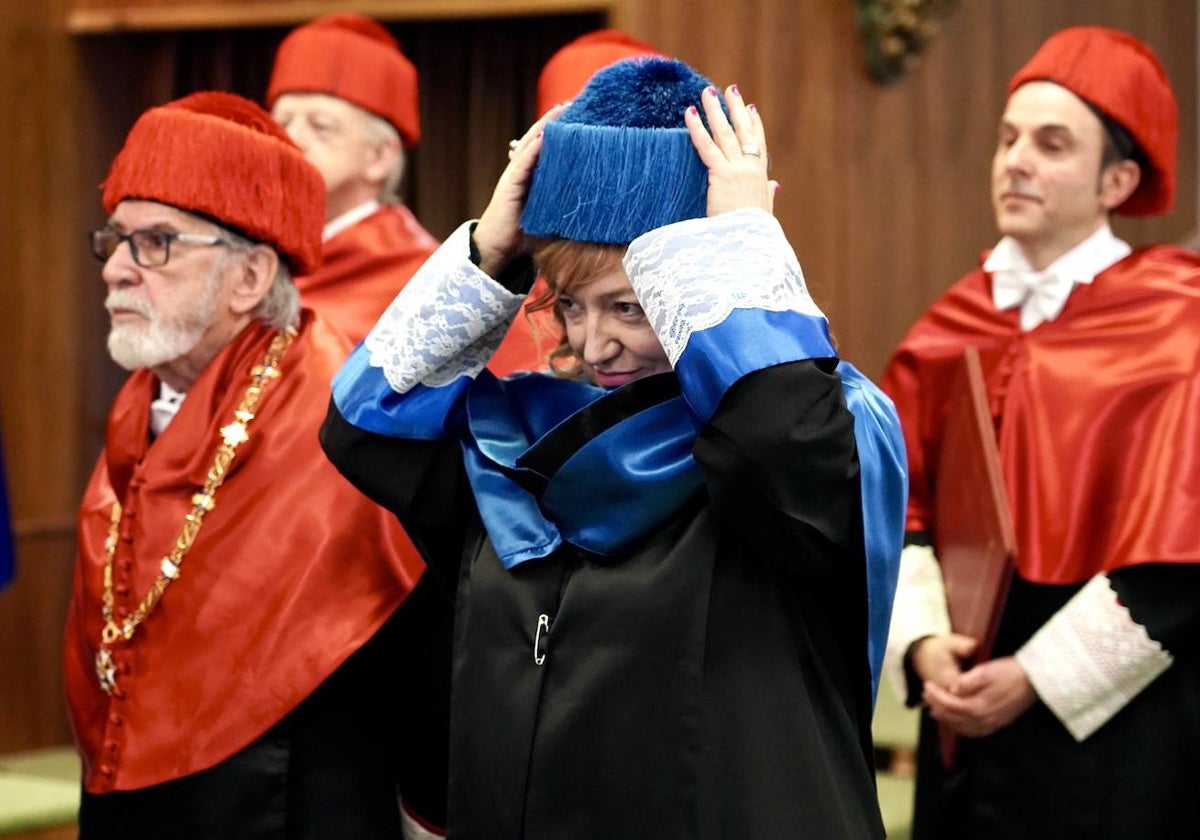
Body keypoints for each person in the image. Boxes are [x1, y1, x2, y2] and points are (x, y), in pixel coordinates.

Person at [321, 56, 907, 839]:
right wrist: (493, 246)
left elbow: (784, 454)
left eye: (628, 306)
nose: (594, 343)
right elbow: (368, 423)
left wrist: (734, 240)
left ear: (695, 282)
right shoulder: (530, 443)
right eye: (570, 305)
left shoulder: (818, 427)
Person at [64, 91, 439, 838]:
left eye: (157, 242)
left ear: (248, 276)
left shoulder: (339, 418)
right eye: (114, 240)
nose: (117, 272)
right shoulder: (137, 406)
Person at [881, 26, 1200, 840]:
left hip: (1113, 730)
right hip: (958, 706)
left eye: (1052, 145)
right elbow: (899, 516)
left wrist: (1035, 675)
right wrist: (922, 648)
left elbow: (1182, 560)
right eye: (1008, 137)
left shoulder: (1179, 325)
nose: (1015, 160)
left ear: (1116, 180)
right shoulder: (948, 324)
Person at [266, 13, 545, 377]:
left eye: (321, 127)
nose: (292, 139)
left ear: (379, 157)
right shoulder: (252, 261)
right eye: (282, 122)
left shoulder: (430, 279)